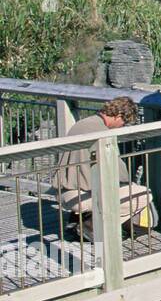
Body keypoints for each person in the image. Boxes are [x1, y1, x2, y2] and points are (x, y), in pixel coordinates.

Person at [55, 96, 154, 236]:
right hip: (83, 195)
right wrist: (129, 183)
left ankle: (80, 218)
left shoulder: (82, 123)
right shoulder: (103, 133)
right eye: (123, 123)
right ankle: (90, 227)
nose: (122, 127)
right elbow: (119, 173)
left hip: (65, 191)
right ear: (118, 116)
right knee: (144, 194)